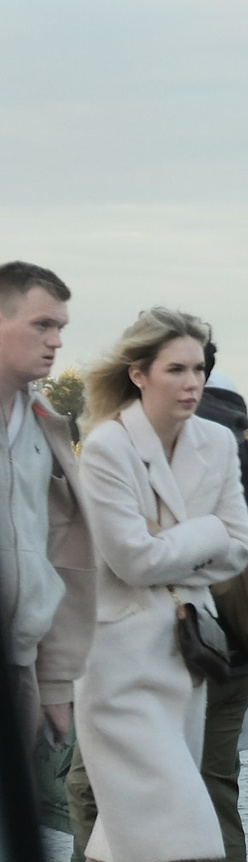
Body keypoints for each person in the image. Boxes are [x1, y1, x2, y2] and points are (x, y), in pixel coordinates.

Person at [64, 307, 248, 862]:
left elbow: (242, 547)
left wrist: (179, 545)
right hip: (118, 667)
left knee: (129, 824)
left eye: (200, 368)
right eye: (177, 369)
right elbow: (130, 560)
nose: (192, 382)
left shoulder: (217, 443)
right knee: (173, 824)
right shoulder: (109, 447)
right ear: (139, 374)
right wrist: (203, 536)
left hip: (184, 656)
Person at [0, 263, 88, 761]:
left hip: (20, 669)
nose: (55, 341)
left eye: (60, 328)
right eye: (41, 325)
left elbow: (54, 546)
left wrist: (52, 681)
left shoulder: (43, 421)